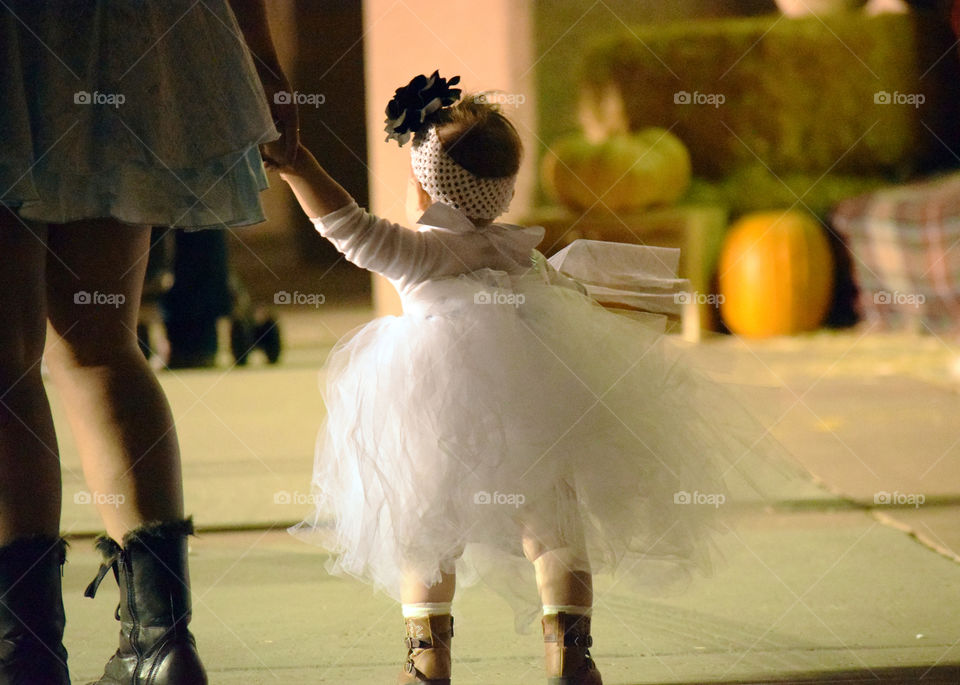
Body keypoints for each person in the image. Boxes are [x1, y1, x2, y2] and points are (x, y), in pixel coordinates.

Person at [271, 72, 796, 684]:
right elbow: (573, 299)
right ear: (501, 192)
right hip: (539, 399)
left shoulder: (422, 254)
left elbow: (347, 227)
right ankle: (571, 653)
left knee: (424, 525)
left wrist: (297, 165)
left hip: (435, 409)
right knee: (553, 524)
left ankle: (427, 660)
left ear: (423, 188)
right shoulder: (521, 253)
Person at [0, 1, 297, 683]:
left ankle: (25, 655)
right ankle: (162, 646)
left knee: (6, 362)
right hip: (131, 34)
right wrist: (259, 51)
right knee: (102, 342)